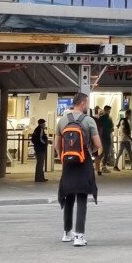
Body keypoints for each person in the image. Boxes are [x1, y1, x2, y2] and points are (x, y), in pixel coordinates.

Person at [56, 93, 100, 246]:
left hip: (67, 163)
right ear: (82, 103)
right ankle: (79, 236)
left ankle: (67, 232)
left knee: (68, 196)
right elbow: (98, 144)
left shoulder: (62, 121)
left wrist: (63, 157)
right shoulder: (88, 121)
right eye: (86, 103)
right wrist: (89, 151)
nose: (87, 106)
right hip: (84, 161)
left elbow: (57, 145)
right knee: (82, 197)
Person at [96, 105, 115, 173]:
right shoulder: (102, 118)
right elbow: (99, 128)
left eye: (109, 110)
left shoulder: (109, 118)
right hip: (103, 137)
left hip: (107, 137)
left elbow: (112, 127)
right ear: (105, 110)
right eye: (108, 110)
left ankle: (101, 165)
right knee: (105, 152)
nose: (109, 111)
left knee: (106, 152)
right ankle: (101, 165)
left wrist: (111, 130)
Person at [31, 118, 51, 183]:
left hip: (37, 148)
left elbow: (34, 139)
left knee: (39, 164)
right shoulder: (40, 130)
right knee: (40, 164)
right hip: (40, 149)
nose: (45, 124)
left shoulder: (36, 130)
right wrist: (45, 143)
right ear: (41, 124)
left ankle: (40, 178)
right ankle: (39, 178)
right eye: (44, 123)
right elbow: (40, 139)